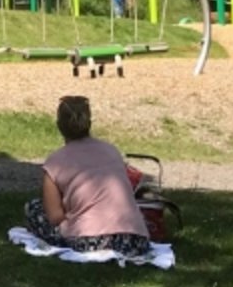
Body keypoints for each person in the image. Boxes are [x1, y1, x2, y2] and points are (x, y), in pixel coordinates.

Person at [23, 96, 154, 259]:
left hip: (88, 239)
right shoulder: (112, 151)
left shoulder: (55, 162)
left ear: (59, 126)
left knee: (34, 208)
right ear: (89, 124)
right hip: (134, 239)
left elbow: (55, 216)